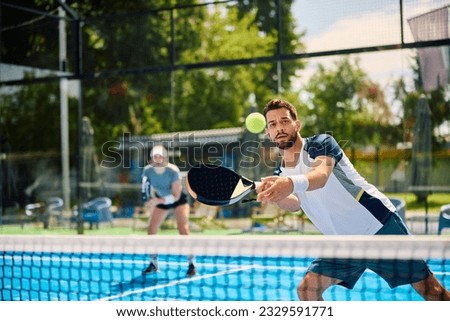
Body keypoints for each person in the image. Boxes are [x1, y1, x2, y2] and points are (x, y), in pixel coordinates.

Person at [256, 98, 450, 301]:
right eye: (273, 124)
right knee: (307, 290)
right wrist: (275, 196)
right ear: (268, 133)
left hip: (379, 227)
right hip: (343, 243)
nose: (279, 128)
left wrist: (288, 184)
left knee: (433, 292)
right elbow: (295, 203)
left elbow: (320, 176)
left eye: (285, 121)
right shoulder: (280, 171)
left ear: (297, 124)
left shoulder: (321, 143)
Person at [141, 145, 196, 277]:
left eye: (161, 156)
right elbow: (146, 188)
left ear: (165, 158)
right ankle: (153, 263)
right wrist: (149, 200)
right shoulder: (147, 171)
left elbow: (175, 196)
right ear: (151, 159)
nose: (158, 159)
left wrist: (157, 201)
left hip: (178, 200)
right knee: (151, 229)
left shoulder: (173, 170)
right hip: (160, 200)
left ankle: (191, 264)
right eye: (155, 157)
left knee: (183, 229)